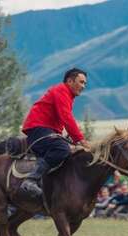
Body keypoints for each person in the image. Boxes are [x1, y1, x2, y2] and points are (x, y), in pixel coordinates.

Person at [19, 68, 91, 198]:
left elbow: (63, 119)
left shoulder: (67, 95)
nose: (83, 86)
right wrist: (80, 139)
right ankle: (30, 180)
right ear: (69, 81)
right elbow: (67, 117)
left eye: (85, 83)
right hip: (38, 129)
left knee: (69, 152)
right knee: (62, 149)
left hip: (46, 130)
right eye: (81, 82)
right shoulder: (61, 90)